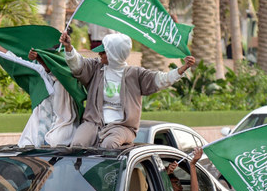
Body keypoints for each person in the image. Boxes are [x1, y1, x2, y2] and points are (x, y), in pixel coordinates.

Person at [59, 31, 196, 148]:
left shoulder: (135, 74)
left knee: (109, 145)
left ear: (114, 54)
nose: (99, 53)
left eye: (104, 51)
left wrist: (182, 69)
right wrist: (69, 48)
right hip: (94, 122)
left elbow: (160, 79)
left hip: (122, 127)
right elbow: (78, 65)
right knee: (77, 144)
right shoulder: (96, 68)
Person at [0, 32, 77, 147]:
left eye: (53, 58)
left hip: (63, 134)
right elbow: (14, 59)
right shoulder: (40, 73)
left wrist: (67, 47)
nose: (49, 61)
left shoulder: (71, 78)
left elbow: (72, 66)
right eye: (46, 57)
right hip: (36, 134)